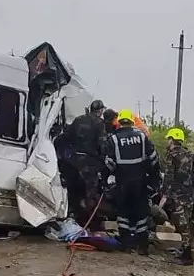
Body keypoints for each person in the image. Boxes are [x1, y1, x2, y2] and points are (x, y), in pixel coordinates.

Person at [105, 109, 160, 255]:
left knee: (123, 212)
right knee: (141, 213)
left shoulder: (114, 139)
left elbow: (109, 163)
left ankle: (126, 244)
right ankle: (142, 246)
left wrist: (105, 180)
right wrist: (154, 180)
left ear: (119, 122)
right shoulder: (142, 137)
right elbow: (154, 158)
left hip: (122, 182)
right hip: (140, 181)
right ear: (131, 121)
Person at [64, 99, 107, 231]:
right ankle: (88, 223)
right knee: (90, 193)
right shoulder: (99, 123)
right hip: (90, 163)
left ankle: (71, 219)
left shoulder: (78, 120)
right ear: (99, 111)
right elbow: (102, 145)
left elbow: (67, 137)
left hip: (75, 161)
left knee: (74, 191)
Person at [163, 127, 194, 265]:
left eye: (169, 139)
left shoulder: (171, 155)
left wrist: (165, 194)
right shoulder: (189, 154)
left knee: (182, 223)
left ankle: (186, 255)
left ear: (173, 140)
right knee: (187, 220)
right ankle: (185, 249)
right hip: (189, 193)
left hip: (177, 193)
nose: (168, 142)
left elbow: (168, 176)